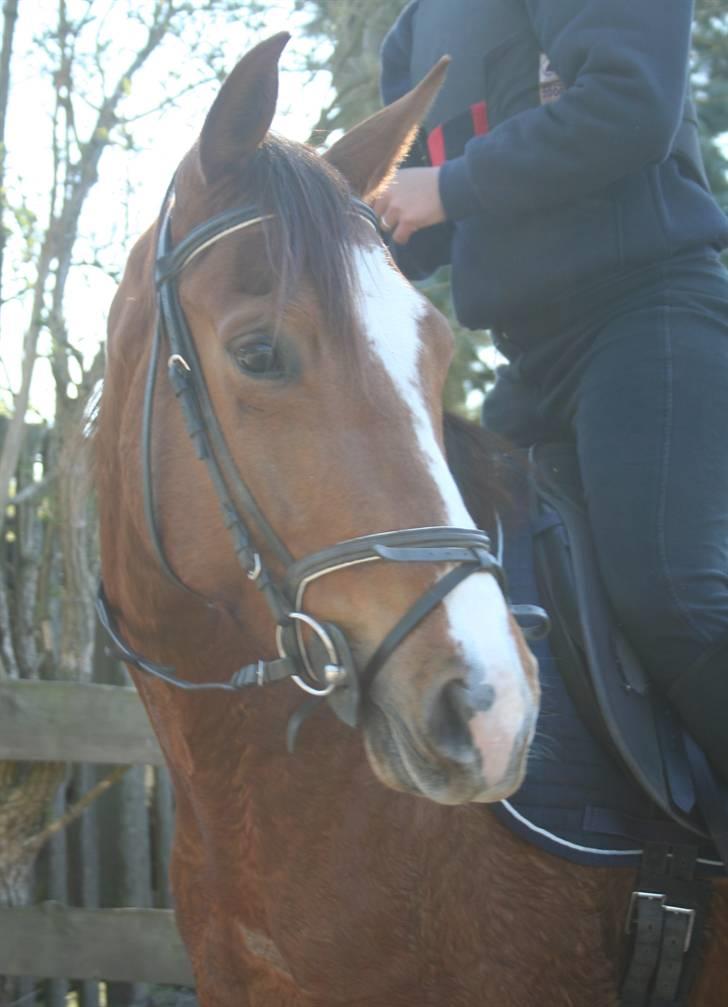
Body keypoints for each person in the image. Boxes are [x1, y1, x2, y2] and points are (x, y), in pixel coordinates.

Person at [376, 0, 728, 779]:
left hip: (650, 320)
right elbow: (416, 214)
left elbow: (631, 106)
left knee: (669, 593)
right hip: (532, 364)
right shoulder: (415, 31)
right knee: (480, 594)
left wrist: (452, 184)